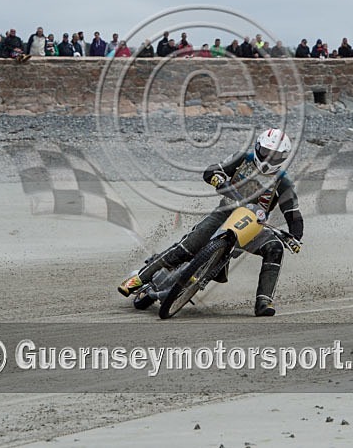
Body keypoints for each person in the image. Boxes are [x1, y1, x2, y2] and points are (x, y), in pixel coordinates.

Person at [118, 128, 304, 317]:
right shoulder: (242, 159)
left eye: (275, 156)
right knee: (186, 247)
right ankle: (139, 279)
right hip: (224, 214)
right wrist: (219, 179)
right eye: (265, 153)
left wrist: (295, 237)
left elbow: (293, 214)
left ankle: (264, 300)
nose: (268, 160)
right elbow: (212, 171)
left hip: (254, 226)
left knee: (275, 248)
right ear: (257, 147)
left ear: (283, 158)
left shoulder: (284, 182)